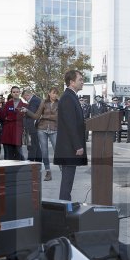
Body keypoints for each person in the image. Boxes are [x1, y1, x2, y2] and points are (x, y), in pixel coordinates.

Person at [55, 70, 87, 201]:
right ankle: (64, 209)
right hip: (68, 148)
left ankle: (65, 207)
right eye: (80, 79)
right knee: (67, 183)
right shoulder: (68, 97)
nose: (82, 82)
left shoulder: (71, 96)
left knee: (68, 182)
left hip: (69, 147)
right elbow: (70, 124)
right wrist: (77, 145)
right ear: (71, 82)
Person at [26, 87, 59, 181]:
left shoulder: (59, 103)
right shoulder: (44, 102)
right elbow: (37, 115)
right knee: (44, 151)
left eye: (56, 93)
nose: (55, 95)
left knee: (57, 149)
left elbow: (59, 117)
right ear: (49, 93)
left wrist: (46, 116)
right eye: (53, 93)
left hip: (54, 128)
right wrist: (27, 111)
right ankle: (48, 172)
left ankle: (62, 167)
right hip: (42, 128)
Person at [0, 86, 26, 160]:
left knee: (18, 154)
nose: (16, 93)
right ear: (11, 93)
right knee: (8, 155)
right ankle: (8, 170)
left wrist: (10, 118)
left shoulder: (24, 105)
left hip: (17, 131)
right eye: (14, 92)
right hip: (8, 131)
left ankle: (17, 170)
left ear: (19, 93)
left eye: (17, 92)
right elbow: (3, 116)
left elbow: (21, 117)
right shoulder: (7, 104)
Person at [22, 89, 42, 162]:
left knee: (32, 145)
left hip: (32, 126)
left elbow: (32, 113)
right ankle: (37, 162)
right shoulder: (36, 100)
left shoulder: (34, 100)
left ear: (27, 95)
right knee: (36, 145)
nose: (25, 100)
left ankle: (31, 161)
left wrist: (25, 111)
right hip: (34, 126)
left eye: (25, 98)